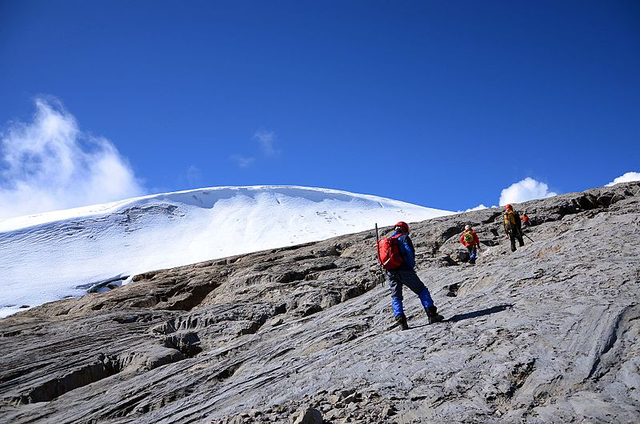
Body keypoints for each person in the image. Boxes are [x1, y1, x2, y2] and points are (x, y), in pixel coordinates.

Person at [385, 221, 444, 330]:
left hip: (391, 272)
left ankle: (401, 321)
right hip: (404, 270)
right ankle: (432, 315)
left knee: (396, 296)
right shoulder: (403, 238)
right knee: (422, 290)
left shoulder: (387, 241)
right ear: (405, 229)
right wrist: (410, 267)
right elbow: (410, 254)